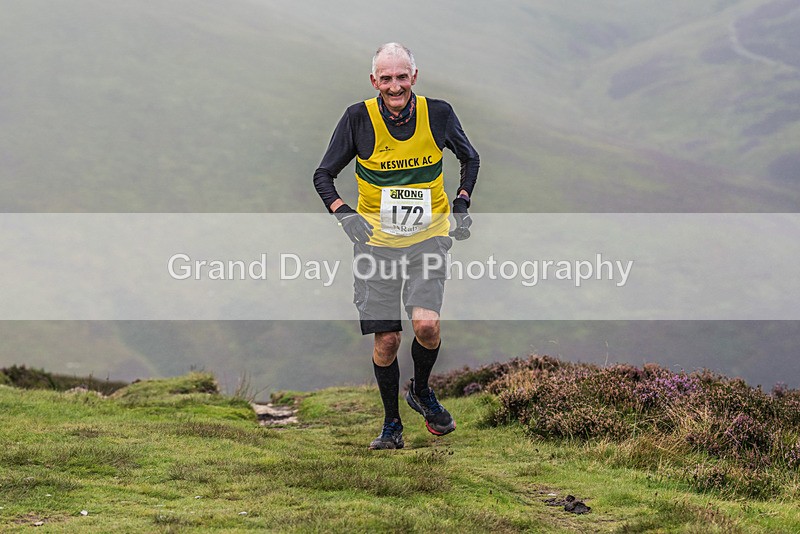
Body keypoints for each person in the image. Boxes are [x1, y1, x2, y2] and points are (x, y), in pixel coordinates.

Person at [313, 43, 479, 449]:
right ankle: (392, 425)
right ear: (374, 81)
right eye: (386, 78)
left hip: (428, 237)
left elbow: (470, 159)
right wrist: (344, 214)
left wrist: (461, 201)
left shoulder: (437, 114)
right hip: (376, 243)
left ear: (414, 77)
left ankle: (421, 390)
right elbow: (323, 175)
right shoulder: (358, 118)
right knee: (387, 339)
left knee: (426, 325)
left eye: (401, 76)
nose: (394, 85)